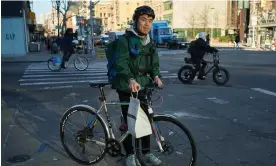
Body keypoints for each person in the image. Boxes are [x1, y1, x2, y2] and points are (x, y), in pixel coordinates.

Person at [111, 5, 163, 166]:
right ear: (135, 21)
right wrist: (129, 79)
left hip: (143, 85)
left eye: (150, 21)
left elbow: (154, 63)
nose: (147, 24)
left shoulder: (149, 42)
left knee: (146, 121)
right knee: (129, 122)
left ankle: (146, 153)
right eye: (143, 20)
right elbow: (121, 63)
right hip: (127, 85)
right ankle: (129, 155)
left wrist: (155, 76)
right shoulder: (124, 40)